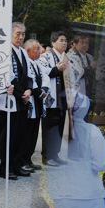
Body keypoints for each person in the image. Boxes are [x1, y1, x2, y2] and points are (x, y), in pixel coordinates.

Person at [1, 23, 42, 179]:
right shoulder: (6, 51)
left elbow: (30, 75)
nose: (20, 37)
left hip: (24, 98)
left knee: (21, 135)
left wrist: (29, 90)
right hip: (12, 98)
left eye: (23, 34)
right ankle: (6, 168)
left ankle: (17, 165)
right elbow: (9, 76)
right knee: (9, 135)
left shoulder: (23, 53)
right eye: (17, 33)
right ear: (10, 34)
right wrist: (21, 94)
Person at [35, 32, 69, 166]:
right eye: (61, 40)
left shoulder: (66, 58)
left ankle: (56, 154)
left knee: (60, 126)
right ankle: (47, 156)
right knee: (49, 127)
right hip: (51, 98)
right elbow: (43, 72)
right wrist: (56, 69)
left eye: (66, 41)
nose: (64, 43)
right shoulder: (46, 56)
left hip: (63, 98)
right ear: (53, 43)